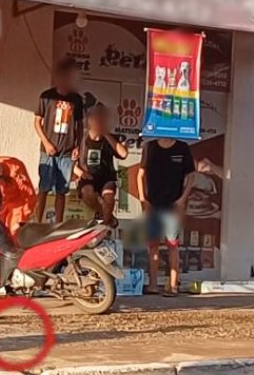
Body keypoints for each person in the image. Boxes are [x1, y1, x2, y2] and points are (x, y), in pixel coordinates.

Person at [137, 137, 197, 297]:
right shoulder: (149, 147)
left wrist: (182, 199)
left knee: (172, 244)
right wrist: (143, 200)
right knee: (153, 245)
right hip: (153, 204)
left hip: (173, 205)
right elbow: (140, 174)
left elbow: (192, 176)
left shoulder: (182, 148)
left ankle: (172, 285)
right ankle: (153, 285)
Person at [35, 58, 84, 224]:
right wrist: (46, 143)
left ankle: (58, 224)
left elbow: (79, 125)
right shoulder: (47, 97)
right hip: (48, 151)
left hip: (67, 151)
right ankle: (37, 221)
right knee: (44, 188)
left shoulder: (76, 99)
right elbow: (36, 122)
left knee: (61, 190)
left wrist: (78, 146)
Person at [77, 103, 129, 227]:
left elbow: (124, 154)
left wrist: (106, 134)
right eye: (97, 118)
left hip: (106, 177)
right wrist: (80, 173)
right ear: (90, 121)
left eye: (102, 118)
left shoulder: (111, 138)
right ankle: (106, 216)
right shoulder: (81, 139)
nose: (99, 122)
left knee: (109, 197)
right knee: (87, 192)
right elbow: (71, 161)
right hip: (88, 176)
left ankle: (105, 226)